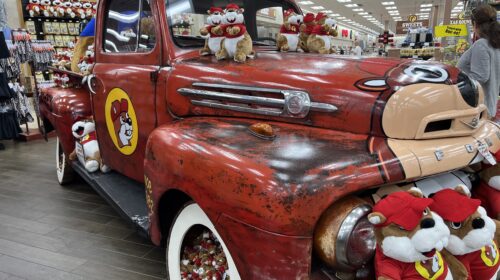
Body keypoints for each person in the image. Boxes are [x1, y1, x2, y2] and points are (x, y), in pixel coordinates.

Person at [457, 4, 500, 119]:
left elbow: (480, 77)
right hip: (488, 104)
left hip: (477, 107)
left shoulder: (481, 45)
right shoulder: (495, 44)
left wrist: (458, 79)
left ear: (475, 24)